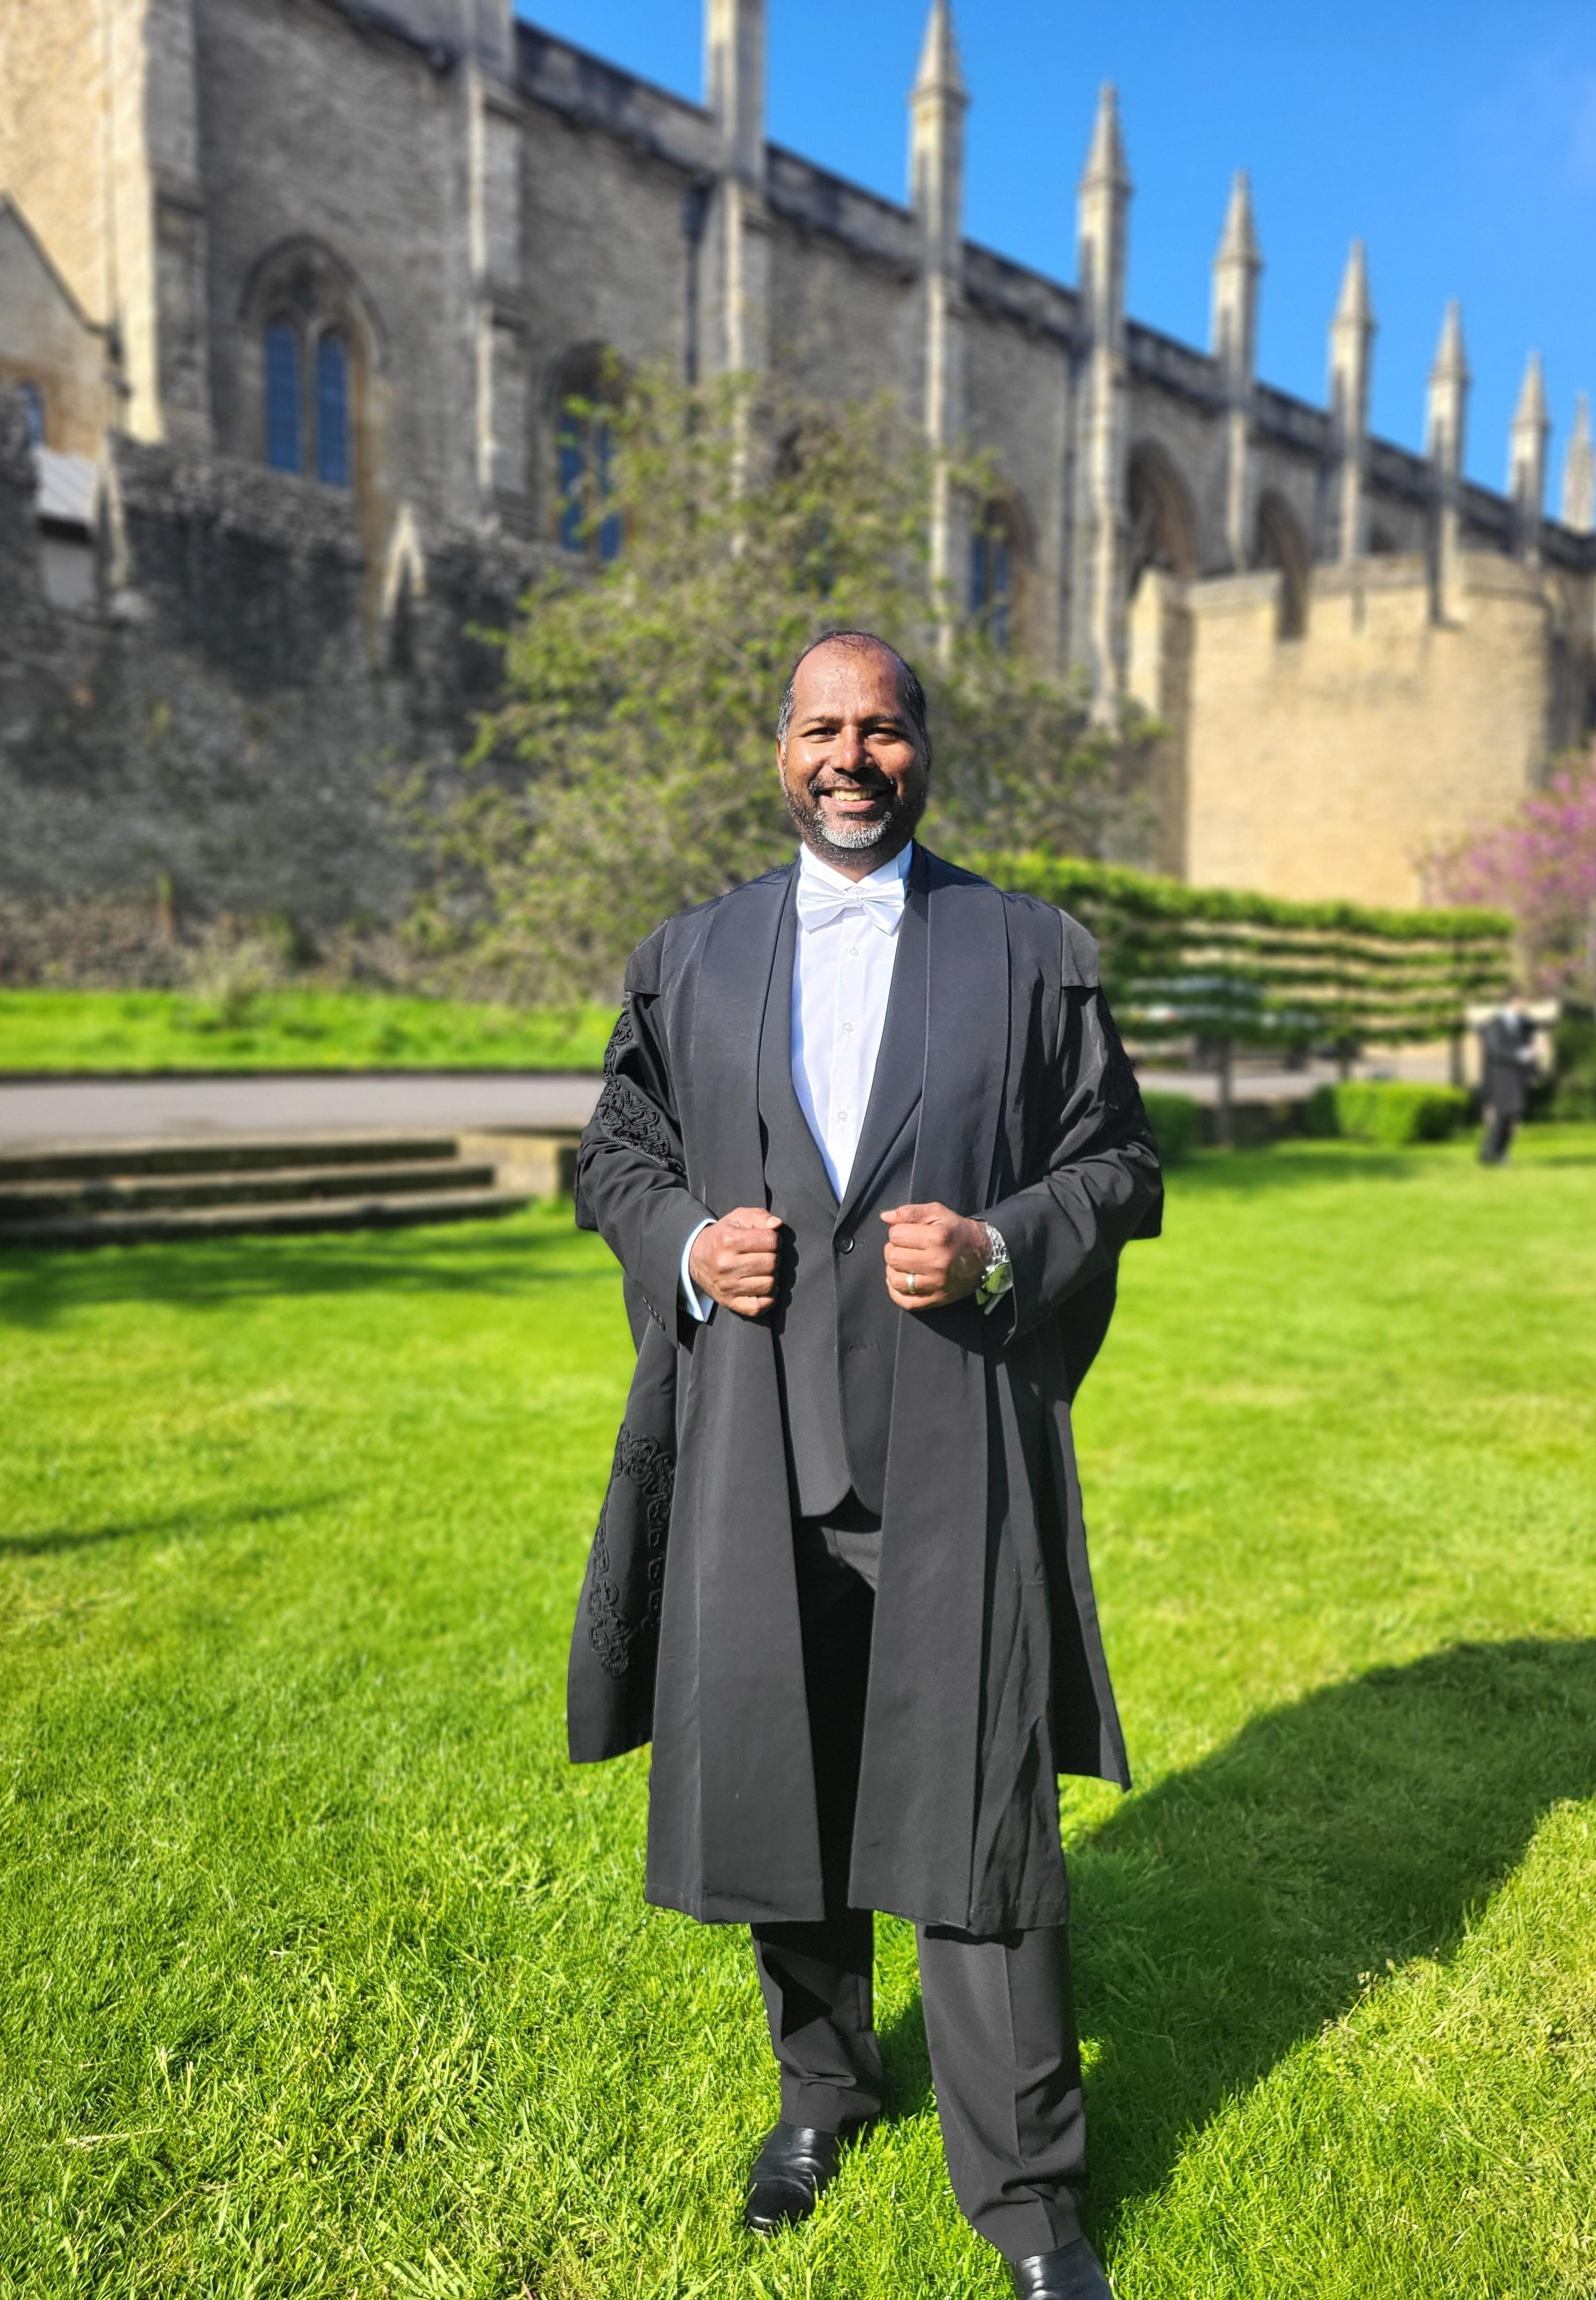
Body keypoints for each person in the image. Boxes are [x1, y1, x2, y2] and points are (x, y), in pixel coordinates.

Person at [569, 630, 1163, 2300]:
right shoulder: (689, 959)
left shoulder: (1030, 951)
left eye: (881, 728)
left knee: (977, 1809)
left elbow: (1117, 1160)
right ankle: (820, 2093)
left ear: (922, 749)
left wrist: (997, 1245)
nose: (851, 754)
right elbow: (615, 1155)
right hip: (757, 1440)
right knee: (783, 1774)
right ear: (781, 751)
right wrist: (688, 1244)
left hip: (952, 1440)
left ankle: (1033, 2200)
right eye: (823, 728)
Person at [1478, 987, 1537, 1164]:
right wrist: (1520, 1055)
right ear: (1514, 1001)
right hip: (1501, 1077)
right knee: (1504, 1116)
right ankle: (1491, 1152)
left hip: (1516, 1076)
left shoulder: (1522, 1023)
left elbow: (1529, 1040)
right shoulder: (1495, 1024)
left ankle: (1498, 1152)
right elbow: (1496, 1051)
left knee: (1513, 1115)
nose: (1526, 1005)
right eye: (1524, 1001)